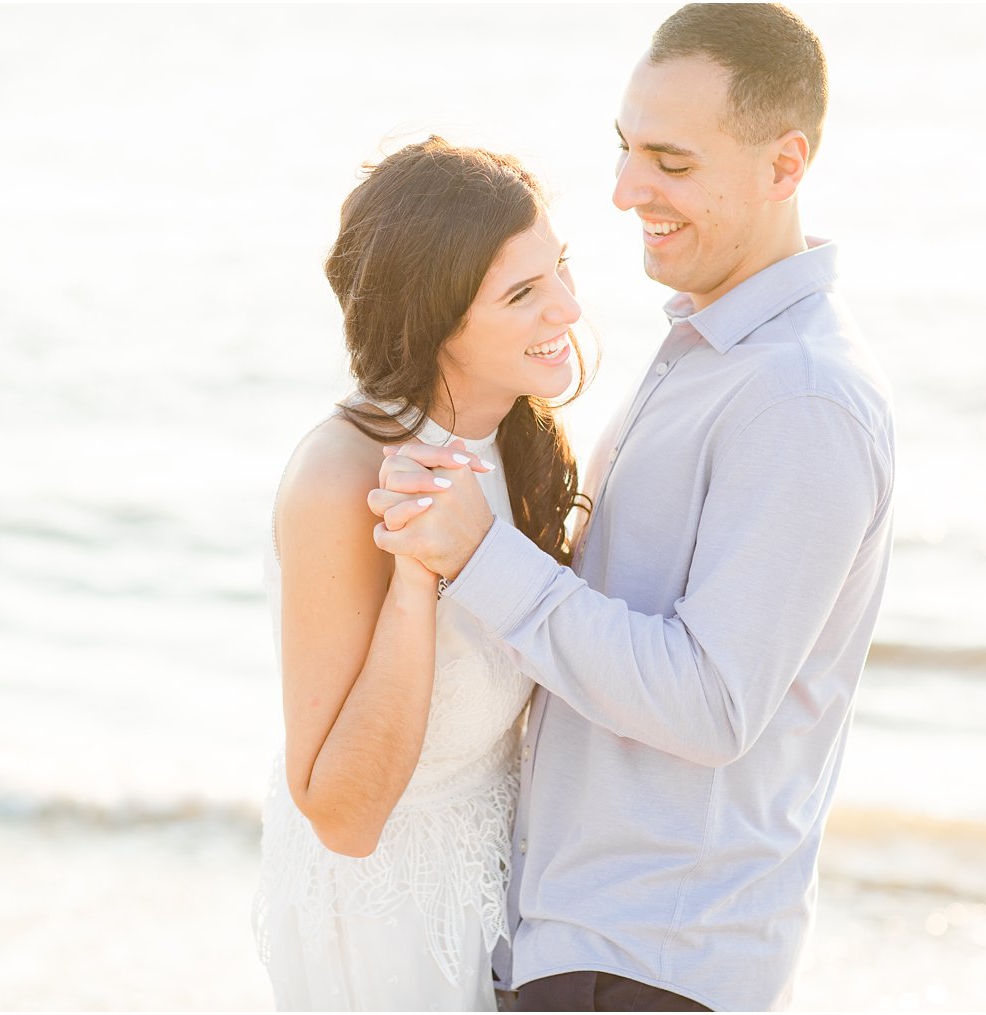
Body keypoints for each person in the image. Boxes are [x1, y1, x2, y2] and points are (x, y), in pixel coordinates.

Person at [368, 5, 896, 1011]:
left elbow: (709, 704)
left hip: (649, 966)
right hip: (583, 948)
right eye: (623, 149)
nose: (624, 192)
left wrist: (481, 555)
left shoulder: (799, 398)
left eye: (669, 161)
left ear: (784, 165)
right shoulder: (709, 349)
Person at [252, 136, 588, 1011]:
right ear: (435, 321)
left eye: (560, 270)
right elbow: (344, 815)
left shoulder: (520, 436)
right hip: (382, 929)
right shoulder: (339, 477)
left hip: (504, 898)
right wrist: (416, 572)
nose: (569, 309)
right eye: (523, 294)